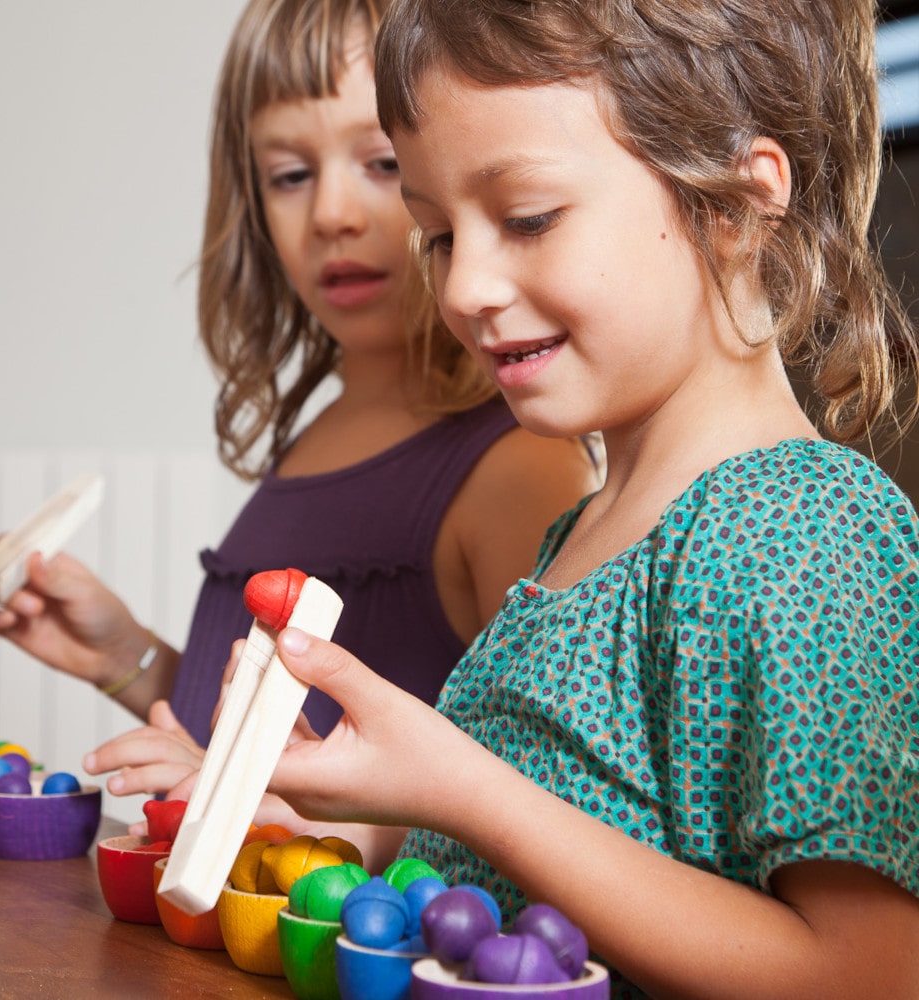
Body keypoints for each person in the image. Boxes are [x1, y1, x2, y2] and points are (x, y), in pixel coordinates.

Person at [253, 0, 919, 996]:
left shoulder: (805, 529)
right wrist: (341, 801)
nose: (466, 285)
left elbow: (868, 973)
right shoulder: (589, 531)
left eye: (527, 217)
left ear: (733, 205)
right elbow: (532, 852)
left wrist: (462, 786)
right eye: (438, 235)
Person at [0, 0, 599, 800]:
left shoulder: (519, 465)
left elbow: (529, 814)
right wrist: (125, 657)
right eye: (291, 175)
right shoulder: (321, 438)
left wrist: (249, 804)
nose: (333, 215)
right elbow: (267, 742)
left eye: (381, 164)